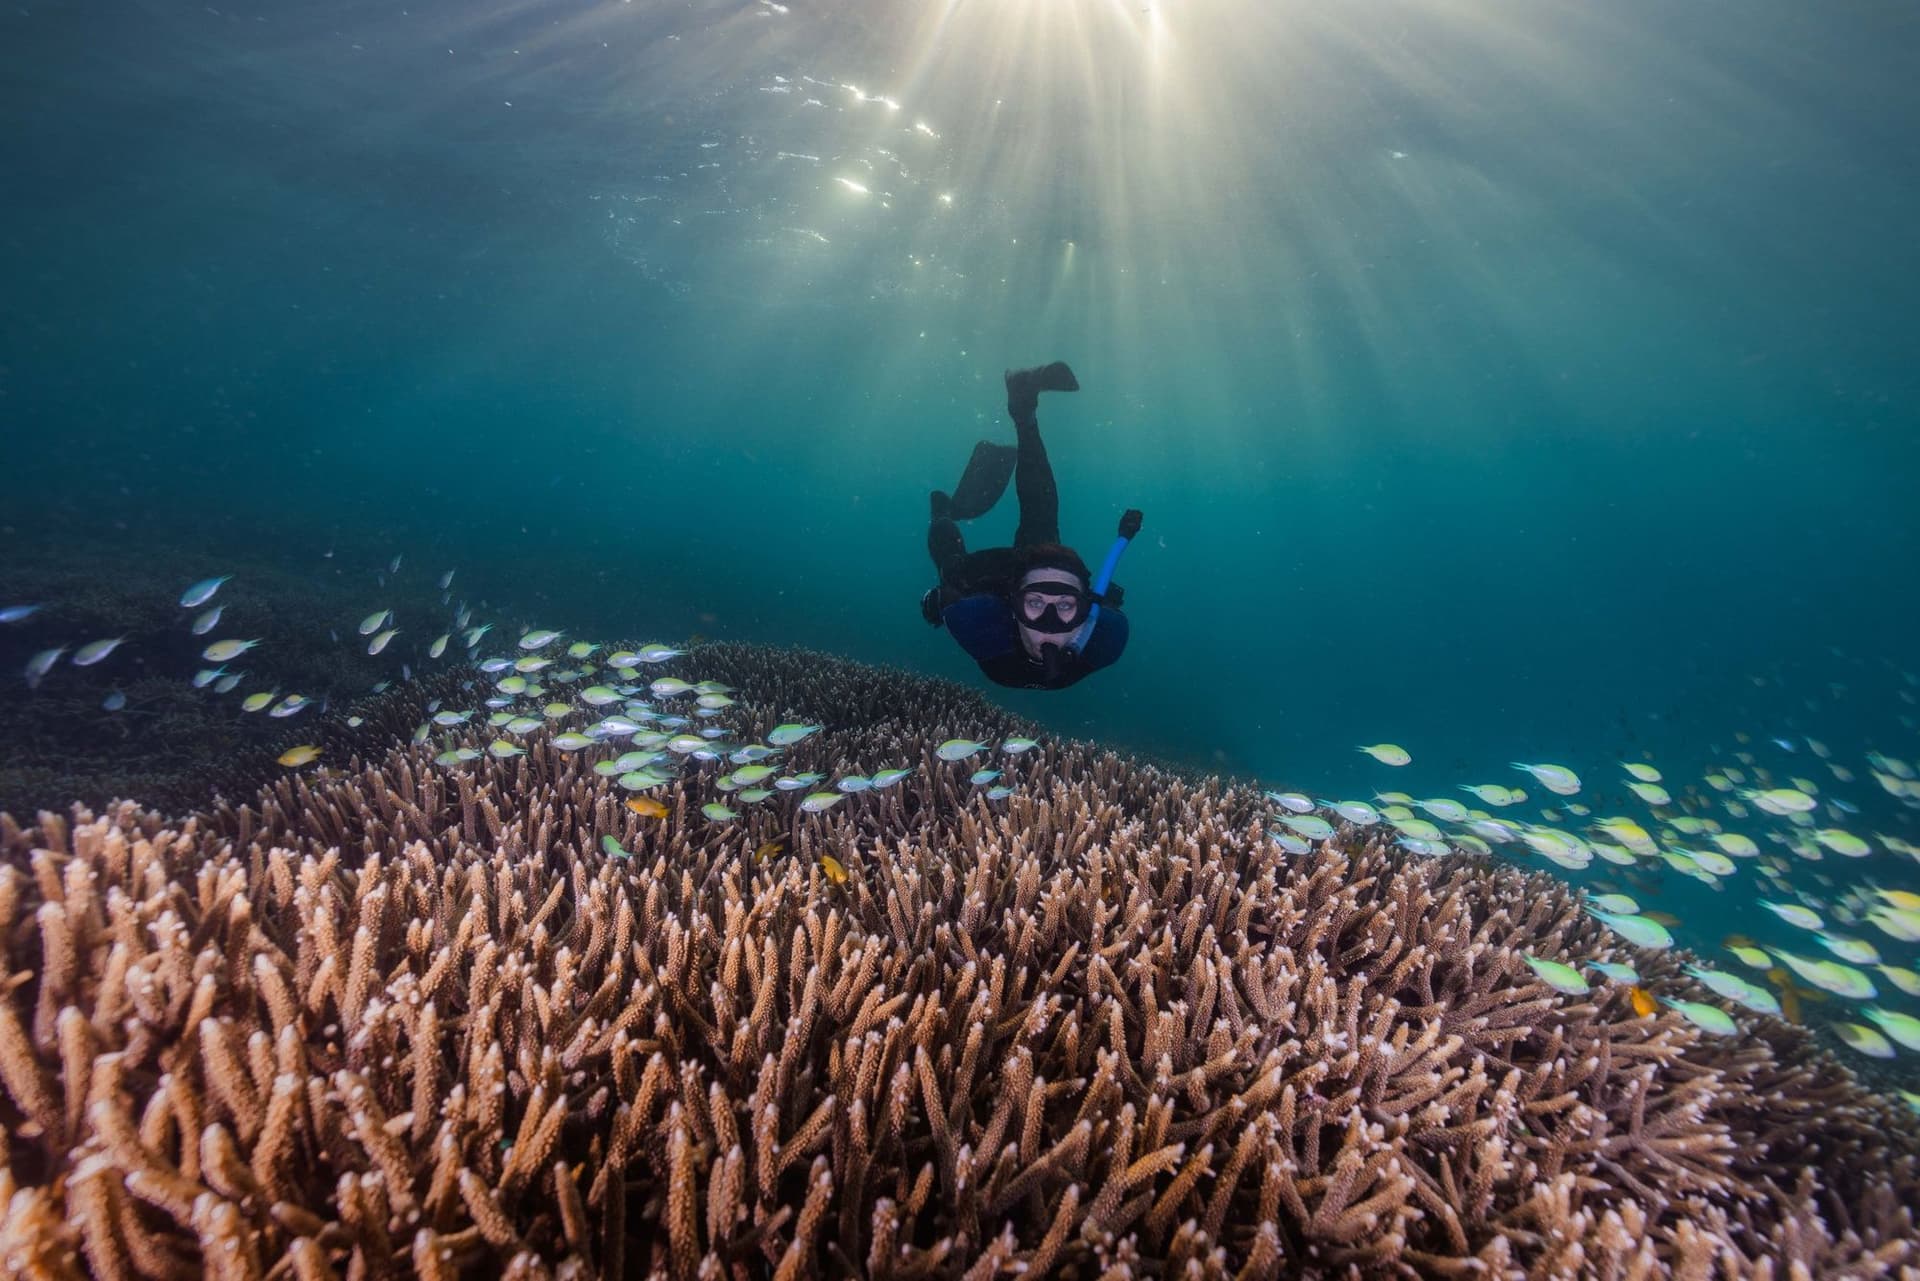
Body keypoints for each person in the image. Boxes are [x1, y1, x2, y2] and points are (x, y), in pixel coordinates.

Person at [920, 361, 1142, 690]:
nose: (1049, 627)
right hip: (1011, 575)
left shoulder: (975, 625)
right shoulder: (978, 616)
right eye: (1036, 605)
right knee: (1035, 518)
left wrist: (941, 601)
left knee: (955, 571)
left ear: (1085, 611)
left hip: (1029, 574)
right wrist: (942, 599)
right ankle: (943, 512)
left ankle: (1022, 406)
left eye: (1066, 606)